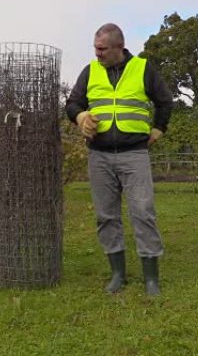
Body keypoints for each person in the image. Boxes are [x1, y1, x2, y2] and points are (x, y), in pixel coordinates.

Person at [66, 23, 173, 295]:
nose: (97, 54)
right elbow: (72, 103)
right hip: (99, 156)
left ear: (118, 47)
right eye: (95, 48)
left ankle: (151, 279)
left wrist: (158, 129)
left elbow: (165, 101)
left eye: (101, 49)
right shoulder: (90, 71)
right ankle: (118, 274)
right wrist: (80, 117)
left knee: (143, 214)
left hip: (134, 155)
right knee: (106, 216)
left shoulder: (143, 69)